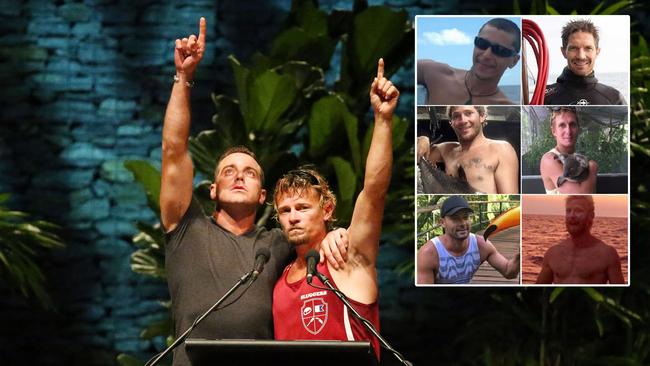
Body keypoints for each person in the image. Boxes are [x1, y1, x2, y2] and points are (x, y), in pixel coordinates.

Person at [160, 18, 347, 366]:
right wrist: (184, 78)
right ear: (212, 191)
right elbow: (174, 150)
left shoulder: (276, 243)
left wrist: (338, 235)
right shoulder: (186, 229)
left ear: (263, 196)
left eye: (249, 172)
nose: (238, 176)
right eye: (228, 172)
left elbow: (319, 229)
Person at [271, 59, 398, 360]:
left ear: (327, 209)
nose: (293, 216)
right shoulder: (278, 276)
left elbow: (374, 192)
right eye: (285, 210)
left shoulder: (347, 256)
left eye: (302, 207)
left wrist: (382, 120)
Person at [416, 196, 520, 284]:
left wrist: (518, 258)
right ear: (442, 222)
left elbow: (508, 271)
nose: (462, 223)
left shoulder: (481, 245)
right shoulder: (428, 253)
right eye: (455, 218)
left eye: (465, 217)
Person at [416, 106, 519, 194]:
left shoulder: (501, 149)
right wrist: (423, 139)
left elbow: (510, 197)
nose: (463, 121)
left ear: (482, 116)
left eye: (468, 113)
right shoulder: (446, 150)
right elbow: (420, 152)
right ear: (451, 122)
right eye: (456, 116)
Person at [418, 18, 521, 105]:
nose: (486, 55)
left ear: (514, 61)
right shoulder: (434, 73)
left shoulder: (508, 108)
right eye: (482, 43)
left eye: (500, 50)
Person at [536, 195, 624, 284]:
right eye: (568, 211)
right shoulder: (553, 253)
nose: (572, 216)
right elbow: (538, 291)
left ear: (591, 216)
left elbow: (621, 294)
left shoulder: (607, 254)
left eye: (578, 211)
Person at [544, 19, 626, 105]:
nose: (581, 56)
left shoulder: (614, 98)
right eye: (574, 48)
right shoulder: (543, 96)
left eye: (588, 48)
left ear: (597, 52)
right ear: (563, 52)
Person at [539, 107, 597, 194]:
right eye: (562, 125)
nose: (568, 131)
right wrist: (592, 167)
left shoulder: (576, 157)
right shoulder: (549, 159)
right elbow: (580, 197)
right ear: (554, 131)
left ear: (578, 129)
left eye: (572, 124)